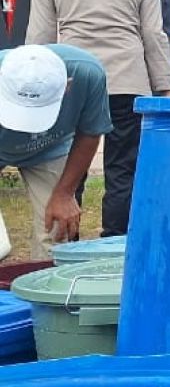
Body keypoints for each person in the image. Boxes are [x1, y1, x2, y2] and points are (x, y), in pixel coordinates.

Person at [26, 0, 170, 237]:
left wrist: (37, 91)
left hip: (73, 82)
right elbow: (153, 32)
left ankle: (68, 245)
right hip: (128, 80)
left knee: (69, 166)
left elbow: (41, 37)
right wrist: (163, 87)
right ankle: (116, 245)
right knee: (122, 169)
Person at [0, 44, 111, 259]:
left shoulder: (88, 74)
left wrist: (65, 193)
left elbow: (90, 132)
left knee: (56, 233)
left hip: (50, 147)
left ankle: (47, 287)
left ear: (67, 86)